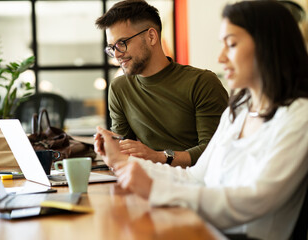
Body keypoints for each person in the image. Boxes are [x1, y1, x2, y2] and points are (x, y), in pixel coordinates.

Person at [94, 1, 308, 239]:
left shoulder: (303, 112)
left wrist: (158, 189)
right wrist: (124, 162)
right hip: (203, 228)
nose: (221, 57)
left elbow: (257, 200)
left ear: (269, 46)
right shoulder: (240, 109)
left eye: (231, 44)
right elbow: (195, 177)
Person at [95, 0, 228, 167]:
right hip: (148, 181)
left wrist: (158, 157)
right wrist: (110, 148)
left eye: (122, 43)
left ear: (151, 36)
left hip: (198, 183)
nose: (116, 55)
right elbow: (125, 152)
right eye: (111, 47)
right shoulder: (119, 88)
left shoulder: (202, 83)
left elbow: (214, 151)